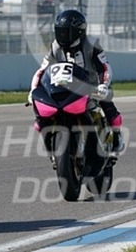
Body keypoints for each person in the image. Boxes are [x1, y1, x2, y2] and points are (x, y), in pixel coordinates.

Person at [29, 9, 124, 154]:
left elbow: (104, 67)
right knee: (41, 112)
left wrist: (103, 85)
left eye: (66, 32)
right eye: (60, 31)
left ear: (79, 32)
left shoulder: (92, 44)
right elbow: (42, 71)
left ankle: (116, 136)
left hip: (91, 86)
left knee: (109, 106)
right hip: (64, 88)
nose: (62, 36)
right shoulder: (55, 46)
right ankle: (49, 139)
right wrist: (33, 90)